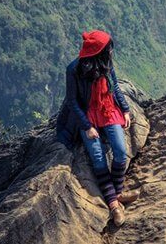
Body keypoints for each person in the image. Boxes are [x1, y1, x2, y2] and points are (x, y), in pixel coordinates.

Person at [56, 29, 139, 226]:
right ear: (98, 52)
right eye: (108, 49)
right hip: (87, 115)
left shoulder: (106, 64)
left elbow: (115, 87)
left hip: (108, 109)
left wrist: (125, 109)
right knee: (98, 158)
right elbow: (72, 102)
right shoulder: (74, 70)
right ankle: (114, 205)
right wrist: (86, 126)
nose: (111, 52)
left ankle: (117, 193)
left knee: (120, 152)